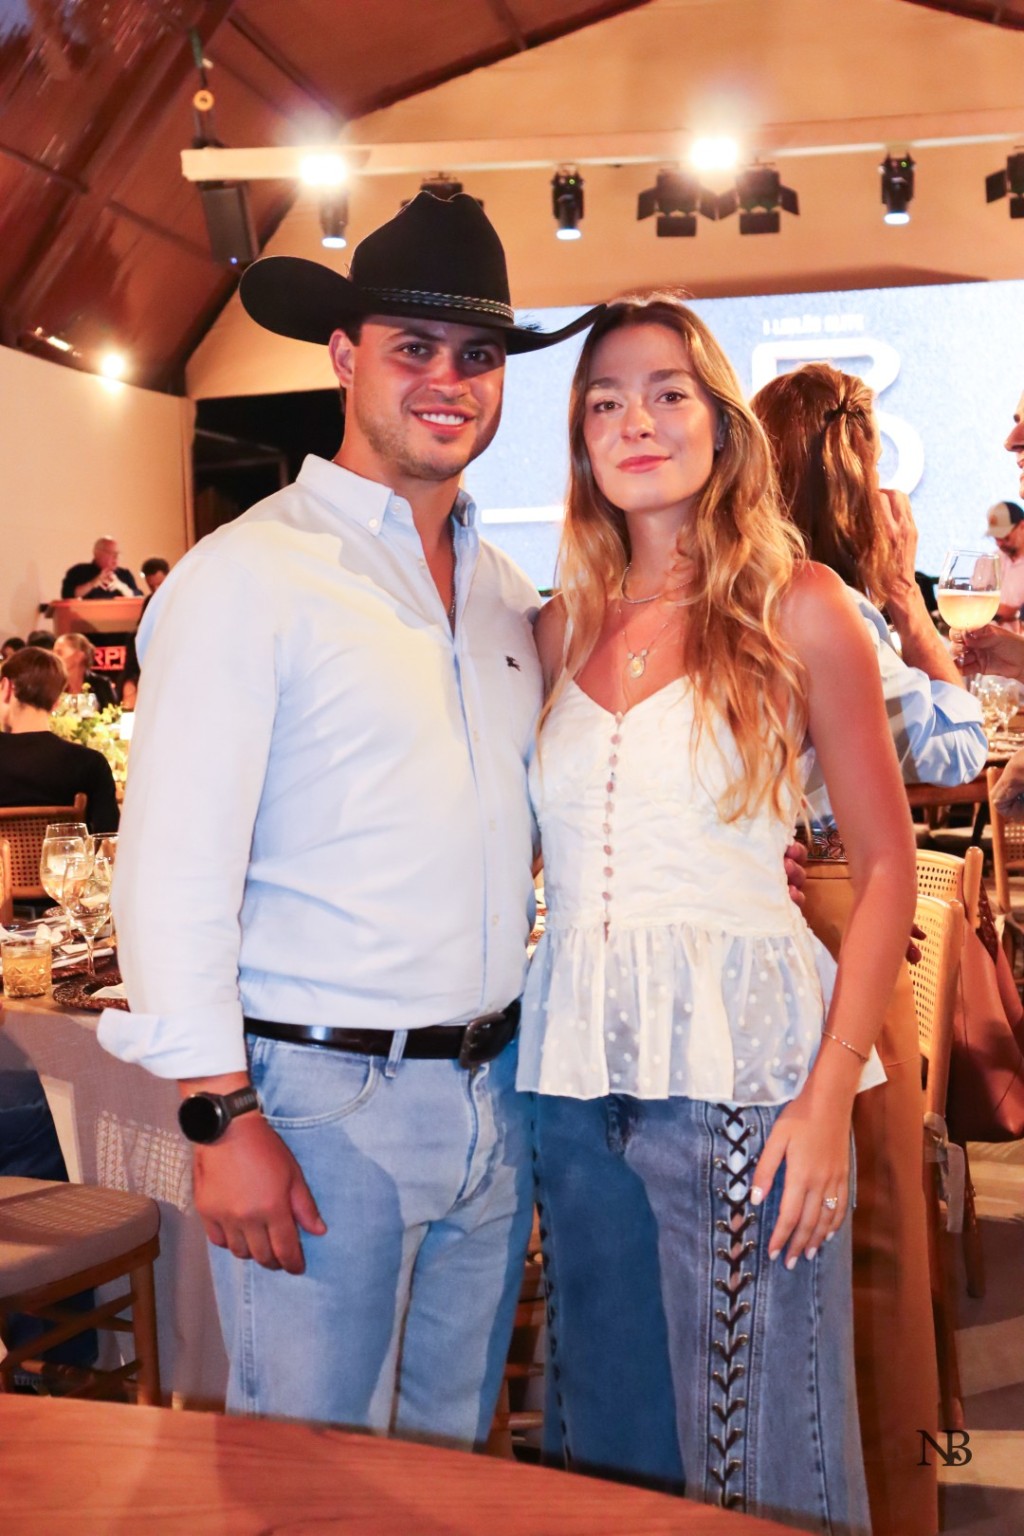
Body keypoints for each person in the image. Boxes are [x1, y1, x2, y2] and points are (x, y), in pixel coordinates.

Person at [97, 192, 604, 1445]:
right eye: (413, 347)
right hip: (319, 1103)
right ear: (342, 355)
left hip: (493, 1098)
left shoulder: (501, 589)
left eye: (478, 356)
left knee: (451, 1471)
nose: (449, 381)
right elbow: (169, 871)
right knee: (313, 1483)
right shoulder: (248, 574)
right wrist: (220, 1113)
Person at [517, 296, 916, 1532]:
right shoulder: (554, 627)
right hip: (572, 1088)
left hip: (746, 1078)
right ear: (581, 443)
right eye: (604, 403)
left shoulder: (800, 605)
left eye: (665, 393)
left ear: (719, 422)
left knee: (764, 1445)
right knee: (608, 1438)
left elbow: (887, 864)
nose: (635, 422)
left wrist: (830, 1095)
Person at [752, 363, 987, 1536]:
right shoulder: (829, 604)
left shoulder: (729, 594)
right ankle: (887, 1497)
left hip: (774, 906)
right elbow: (955, 755)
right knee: (875, 1223)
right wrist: (906, 601)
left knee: (781, 1226)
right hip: (840, 904)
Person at [0, 647, 119, 832]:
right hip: (64, 852)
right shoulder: (91, 764)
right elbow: (108, 838)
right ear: (56, 701)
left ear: (6, 688)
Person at [61, 537, 141, 600]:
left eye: (117, 553)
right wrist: (92, 584)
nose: (116, 557)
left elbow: (139, 597)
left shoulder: (125, 574)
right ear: (97, 553)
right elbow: (67, 595)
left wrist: (122, 587)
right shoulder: (79, 571)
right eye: (111, 553)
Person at [53, 634, 117, 711]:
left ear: (78, 656)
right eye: (53, 653)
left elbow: (113, 714)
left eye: (59, 653)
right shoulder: (52, 685)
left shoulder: (101, 684)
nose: (54, 657)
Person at [985, 500, 1024, 622]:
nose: (999, 543)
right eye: (996, 538)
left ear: (1022, 526)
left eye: (1005, 537)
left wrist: (1015, 612)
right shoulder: (987, 561)